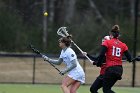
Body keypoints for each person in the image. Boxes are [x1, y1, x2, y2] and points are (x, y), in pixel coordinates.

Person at [95, 25, 133, 93]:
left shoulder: (107, 42)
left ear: (111, 35)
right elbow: (130, 58)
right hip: (119, 70)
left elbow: (101, 54)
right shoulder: (123, 45)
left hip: (110, 69)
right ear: (118, 36)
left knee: (106, 90)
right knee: (107, 89)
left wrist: (98, 63)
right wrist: (132, 59)